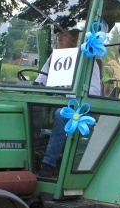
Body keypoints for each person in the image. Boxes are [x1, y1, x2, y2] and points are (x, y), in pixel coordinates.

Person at [38, 28, 101, 179]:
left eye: (63, 35)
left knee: (62, 114)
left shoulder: (87, 59)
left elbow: (94, 91)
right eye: (58, 35)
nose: (59, 38)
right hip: (53, 102)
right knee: (34, 110)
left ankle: (48, 165)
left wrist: (69, 92)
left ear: (74, 40)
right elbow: (40, 81)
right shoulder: (54, 58)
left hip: (78, 108)